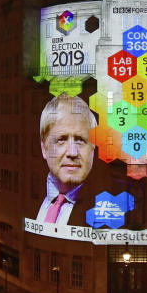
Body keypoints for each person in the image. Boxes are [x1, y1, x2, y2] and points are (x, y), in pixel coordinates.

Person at [36, 93, 98, 225]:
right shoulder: (29, 197)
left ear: (93, 147)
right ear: (44, 148)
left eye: (80, 140)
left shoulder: (108, 210)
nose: (72, 152)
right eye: (61, 140)